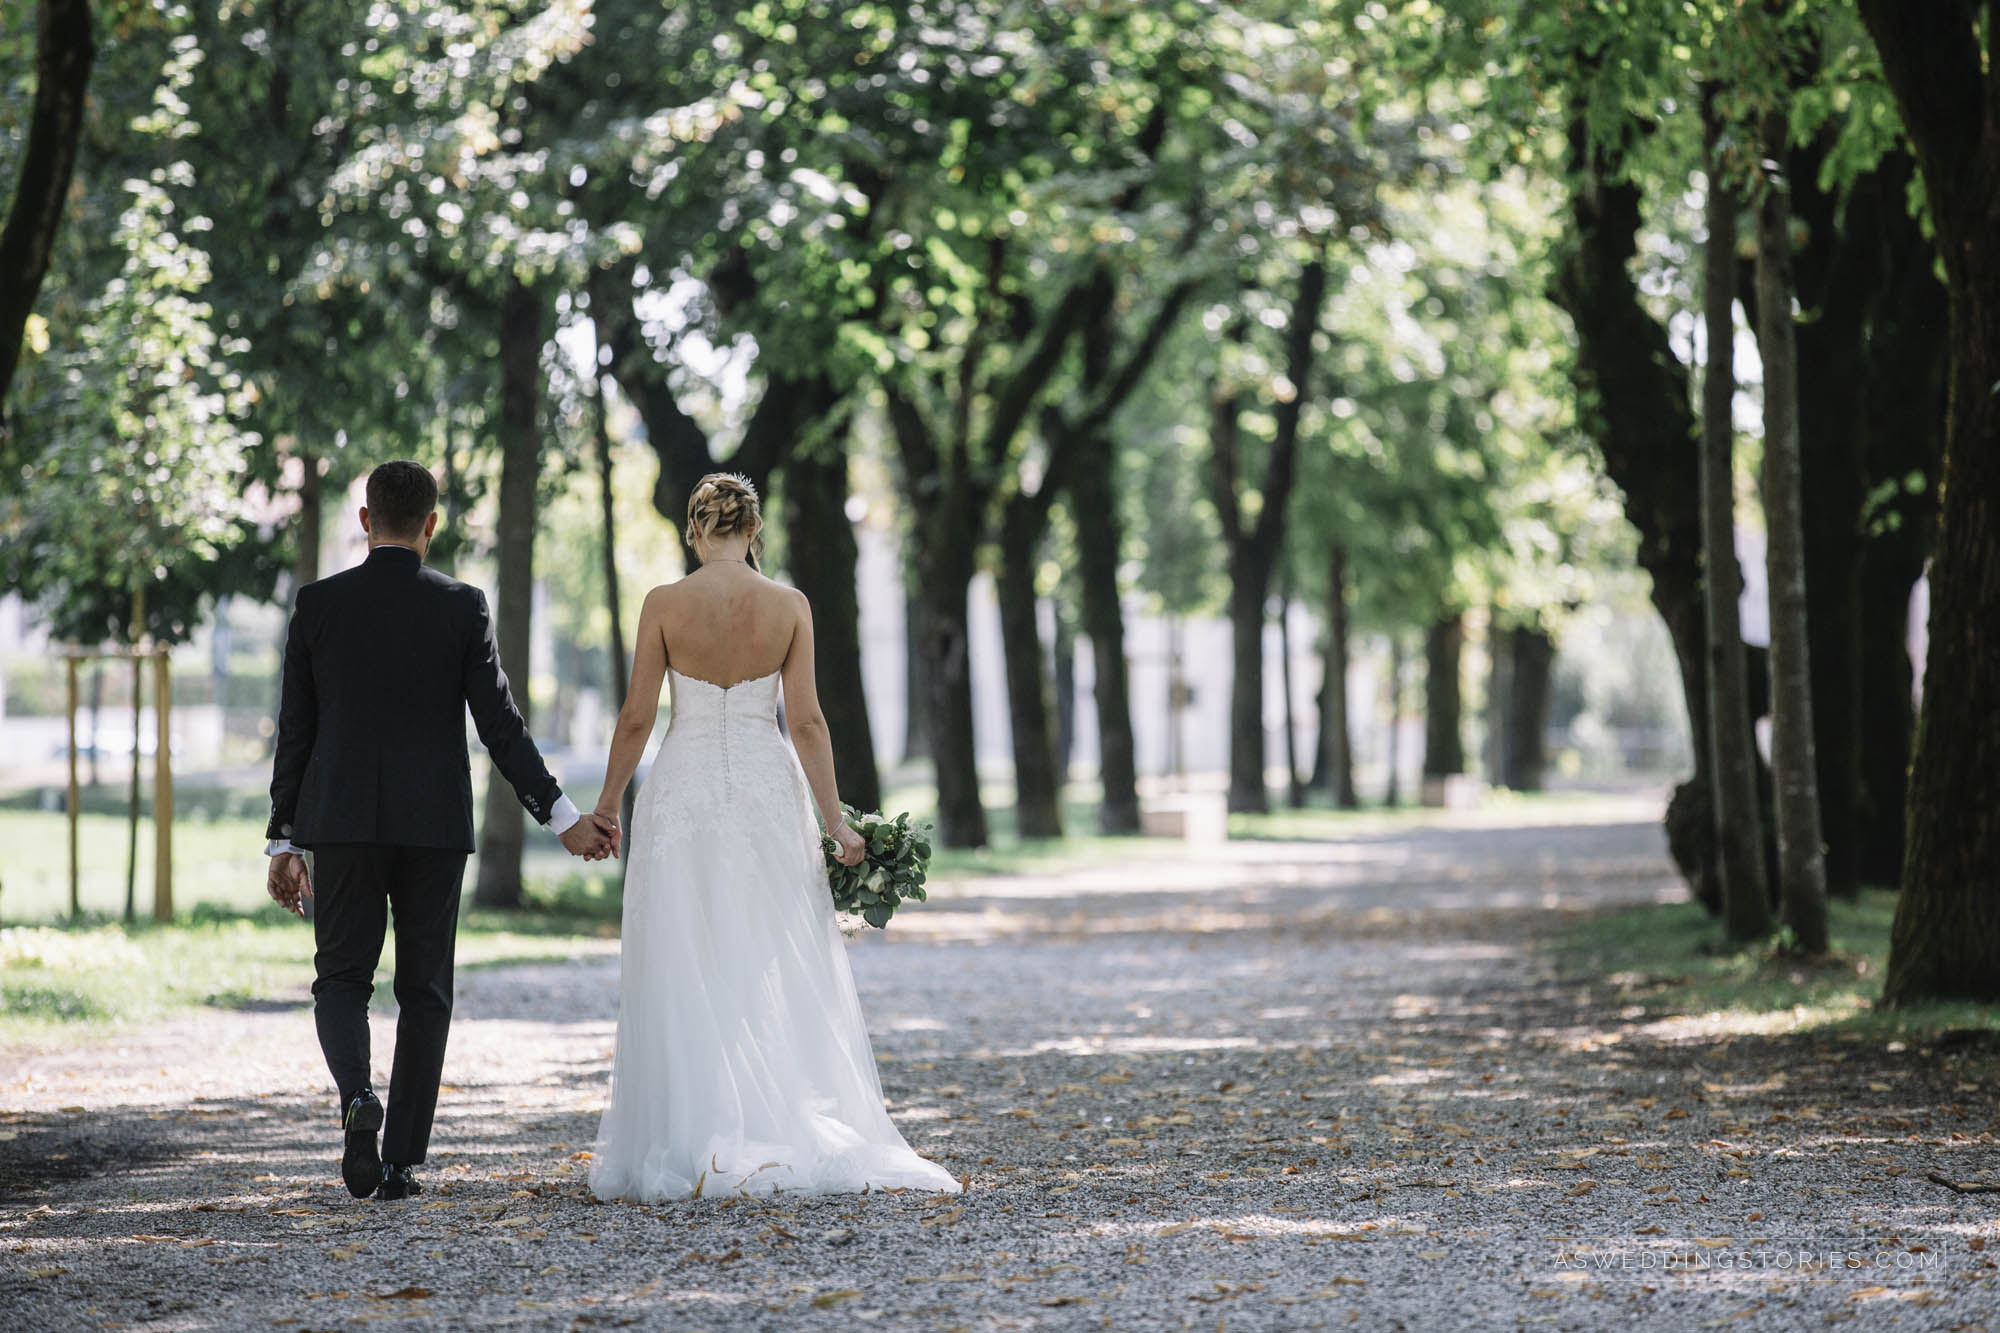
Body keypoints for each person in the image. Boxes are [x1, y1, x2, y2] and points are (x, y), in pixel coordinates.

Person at [587, 472, 960, 1200]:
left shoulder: (664, 604)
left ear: (695, 531)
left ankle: (693, 1130)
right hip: (765, 788)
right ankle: (770, 1120)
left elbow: (636, 718)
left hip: (684, 789)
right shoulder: (788, 605)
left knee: (685, 948)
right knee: (767, 949)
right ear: (754, 531)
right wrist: (837, 822)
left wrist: (607, 806)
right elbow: (809, 721)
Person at [263, 460, 617, 1202]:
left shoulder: (318, 604)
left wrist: (285, 838)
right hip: (432, 826)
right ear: (431, 524)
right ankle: (398, 1161)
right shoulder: (462, 605)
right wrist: (561, 818)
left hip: (343, 821)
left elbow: (296, 730)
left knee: (341, 977)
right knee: (425, 989)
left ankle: (358, 1095)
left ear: (365, 520)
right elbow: (500, 727)